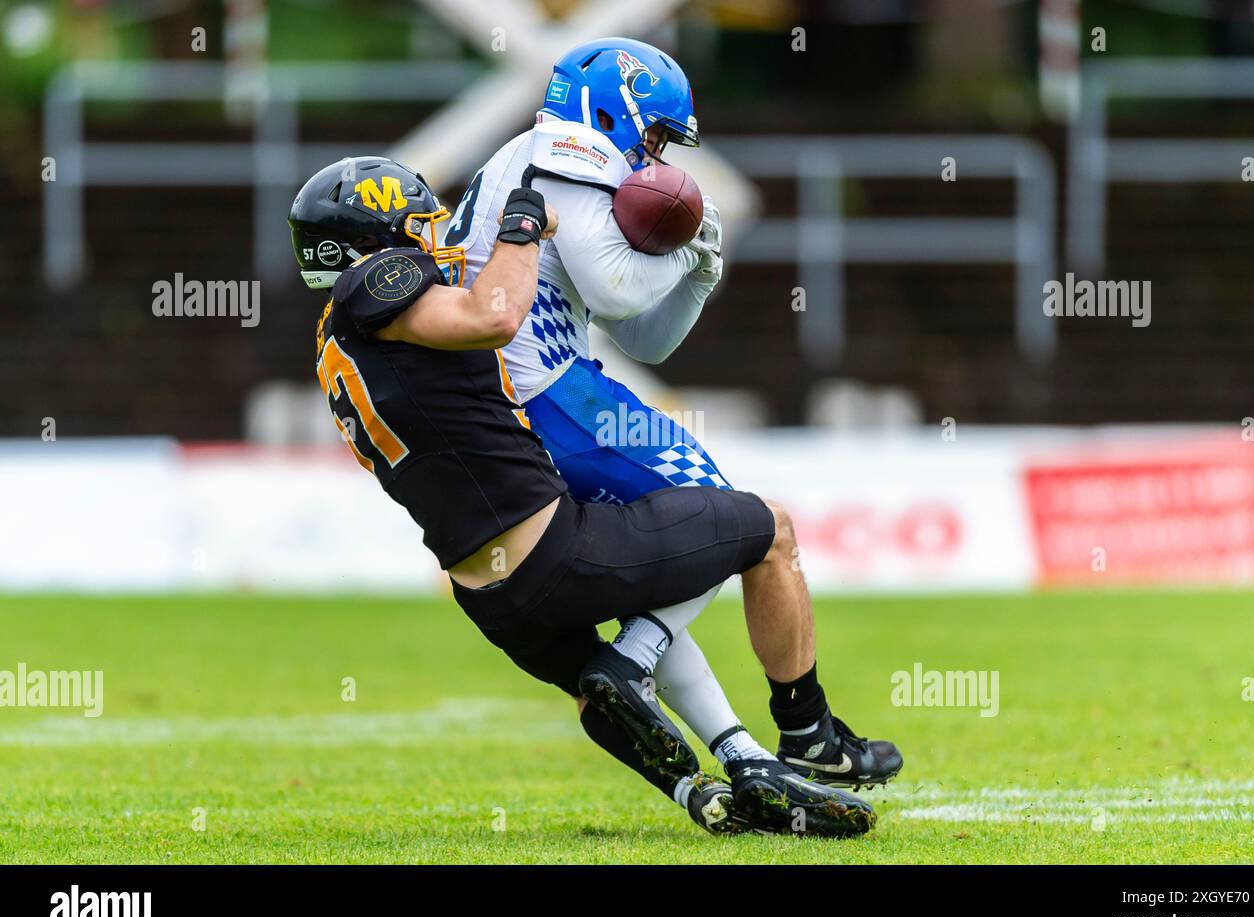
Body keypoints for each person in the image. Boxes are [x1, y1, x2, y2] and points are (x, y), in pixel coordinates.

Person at [288, 155, 875, 837]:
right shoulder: (375, 281)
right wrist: (523, 224)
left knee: (598, 685)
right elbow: (495, 314)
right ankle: (794, 727)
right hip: (554, 551)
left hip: (490, 595)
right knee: (767, 529)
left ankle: (713, 781)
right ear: (377, 229)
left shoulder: (336, 338)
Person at [446, 38, 903, 791]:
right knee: (737, 523)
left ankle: (737, 748)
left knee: (688, 544)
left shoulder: (529, 157)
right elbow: (624, 291)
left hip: (521, 396)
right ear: (613, 110)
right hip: (549, 389)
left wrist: (699, 269)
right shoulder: (568, 147)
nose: (653, 153)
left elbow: (643, 337)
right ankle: (781, 721)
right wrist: (685, 250)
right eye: (653, 134)